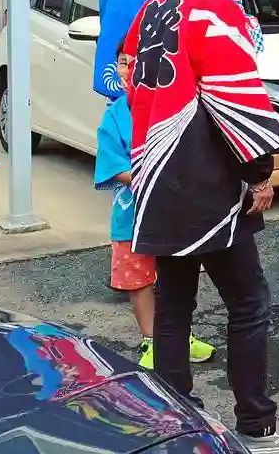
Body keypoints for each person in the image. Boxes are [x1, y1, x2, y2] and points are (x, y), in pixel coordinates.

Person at [123, 0, 279, 454]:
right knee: (249, 303)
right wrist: (260, 173)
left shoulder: (154, 6)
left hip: (155, 173)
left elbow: (136, 83)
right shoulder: (213, 8)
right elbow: (239, 100)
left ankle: (177, 424)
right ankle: (257, 426)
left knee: (173, 308)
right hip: (205, 177)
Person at [94, 91, 215, 369]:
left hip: (174, 213)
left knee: (179, 277)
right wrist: (154, 177)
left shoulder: (172, 103)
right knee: (139, 280)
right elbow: (112, 165)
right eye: (126, 67)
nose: (133, 72)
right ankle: (151, 341)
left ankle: (181, 337)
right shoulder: (115, 115)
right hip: (131, 218)